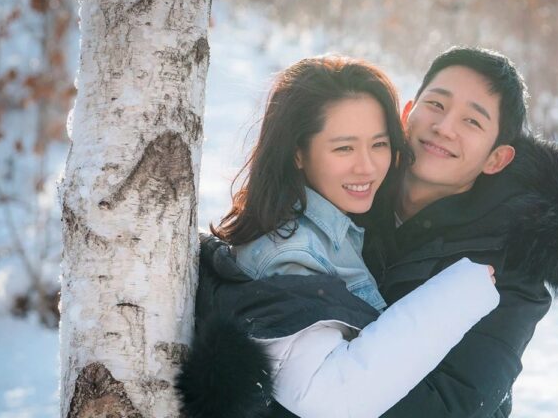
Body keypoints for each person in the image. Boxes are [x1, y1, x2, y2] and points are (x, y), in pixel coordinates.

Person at [176, 56, 501, 418]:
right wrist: (458, 295)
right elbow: (331, 398)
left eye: (378, 144)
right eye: (344, 148)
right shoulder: (293, 252)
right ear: (298, 153)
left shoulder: (340, 228)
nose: (367, 166)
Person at [356, 46, 558, 417]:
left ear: (497, 159)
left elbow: (452, 406)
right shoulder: (349, 191)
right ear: (408, 113)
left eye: (472, 122)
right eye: (437, 105)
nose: (444, 128)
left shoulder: (511, 271)